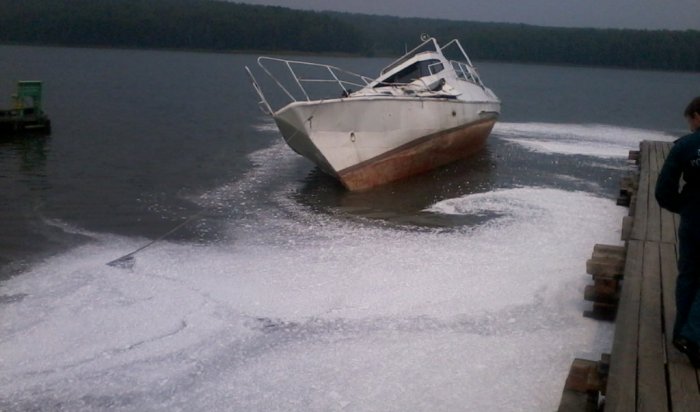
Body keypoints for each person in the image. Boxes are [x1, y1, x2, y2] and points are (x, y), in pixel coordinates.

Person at [656, 96, 700, 368]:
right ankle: (692, 336)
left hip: (694, 219)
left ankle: (681, 334)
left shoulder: (684, 146)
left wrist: (683, 206)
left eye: (691, 120)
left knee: (689, 275)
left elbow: (663, 190)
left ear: (698, 116)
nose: (691, 125)